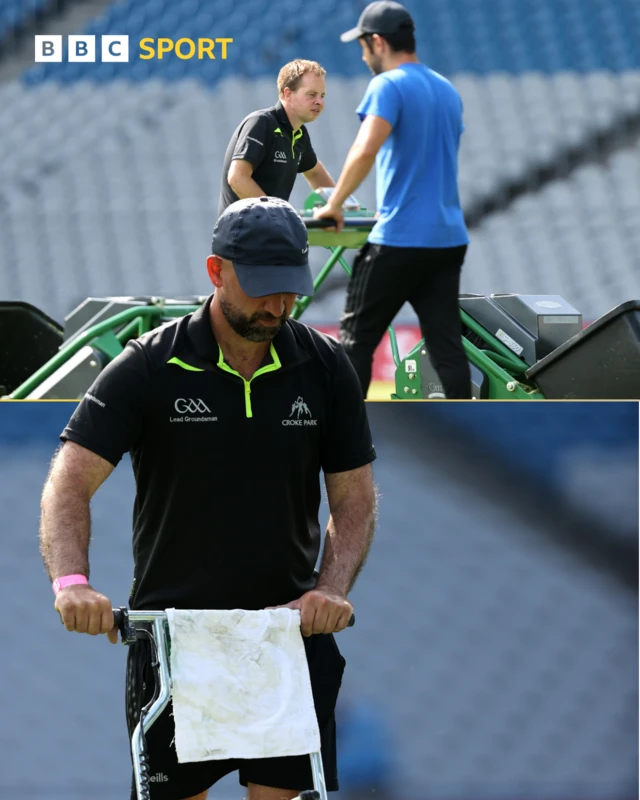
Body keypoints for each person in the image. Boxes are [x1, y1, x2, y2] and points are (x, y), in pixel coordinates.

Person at [39, 196, 378, 800]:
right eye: (262, 288)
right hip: (172, 645)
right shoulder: (146, 368)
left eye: (289, 290)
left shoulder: (326, 368)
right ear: (216, 271)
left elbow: (353, 499)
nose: (277, 306)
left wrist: (331, 589)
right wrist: (72, 582)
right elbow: (69, 480)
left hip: (286, 643)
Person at [314, 1, 472, 399]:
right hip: (448, 239)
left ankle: (344, 437)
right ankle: (464, 408)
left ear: (378, 41)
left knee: (355, 340)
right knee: (447, 349)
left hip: (400, 237)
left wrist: (335, 204)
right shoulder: (446, 89)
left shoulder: (388, 85)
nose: (363, 54)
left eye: (364, 45)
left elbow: (366, 149)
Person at [218, 60, 336, 217]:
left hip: (270, 232)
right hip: (241, 235)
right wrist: (276, 216)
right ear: (288, 94)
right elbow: (237, 178)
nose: (319, 101)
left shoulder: (299, 133)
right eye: (311, 94)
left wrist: (341, 206)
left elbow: (315, 174)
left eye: (322, 95)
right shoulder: (261, 123)